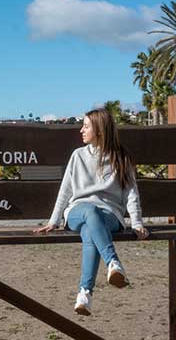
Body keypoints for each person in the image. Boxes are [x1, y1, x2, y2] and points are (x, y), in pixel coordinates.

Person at [33, 108, 149, 315]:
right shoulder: (78, 156)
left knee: (90, 230)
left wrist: (137, 223)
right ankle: (113, 262)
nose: (81, 130)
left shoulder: (121, 157)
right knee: (89, 211)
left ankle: (84, 294)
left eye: (86, 126)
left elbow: (131, 193)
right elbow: (65, 190)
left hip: (109, 216)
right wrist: (54, 220)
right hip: (77, 212)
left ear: (101, 131)